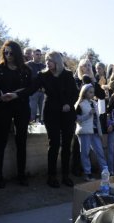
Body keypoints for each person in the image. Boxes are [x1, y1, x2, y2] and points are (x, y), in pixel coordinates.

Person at [31, 51, 78, 187]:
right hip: (51, 114)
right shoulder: (43, 75)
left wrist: (69, 104)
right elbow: (31, 89)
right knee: (54, 144)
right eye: (46, 60)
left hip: (67, 114)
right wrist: (16, 94)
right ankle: (51, 176)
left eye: (50, 60)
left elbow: (75, 94)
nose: (47, 62)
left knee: (66, 145)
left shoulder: (67, 75)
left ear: (57, 61)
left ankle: (65, 175)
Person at [0, 41, 32, 188]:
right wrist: (0, 96)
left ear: (17, 53)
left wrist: (17, 95)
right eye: (6, 52)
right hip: (2, 107)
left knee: (21, 141)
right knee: (0, 142)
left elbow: (29, 88)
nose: (8, 55)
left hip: (21, 107)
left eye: (11, 53)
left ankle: (21, 175)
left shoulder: (25, 69)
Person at [74, 84, 108, 181]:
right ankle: (87, 173)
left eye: (93, 92)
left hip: (95, 131)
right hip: (84, 131)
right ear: (84, 93)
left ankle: (105, 172)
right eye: (90, 92)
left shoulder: (94, 103)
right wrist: (88, 115)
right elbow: (77, 119)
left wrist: (100, 132)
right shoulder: (79, 104)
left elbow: (97, 119)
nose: (92, 94)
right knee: (85, 152)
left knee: (100, 151)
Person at [27, 49, 46, 122]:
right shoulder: (28, 65)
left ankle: (43, 131)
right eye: (37, 54)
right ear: (32, 55)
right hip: (32, 92)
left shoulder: (44, 66)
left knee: (43, 113)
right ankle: (30, 131)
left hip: (43, 92)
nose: (39, 56)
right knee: (32, 112)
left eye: (40, 54)